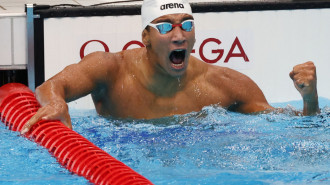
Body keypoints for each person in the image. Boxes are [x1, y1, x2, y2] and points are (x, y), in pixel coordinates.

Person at [21, 0, 319, 134]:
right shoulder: (110, 70)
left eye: (186, 25)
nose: (179, 35)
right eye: (165, 27)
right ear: (145, 37)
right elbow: (49, 87)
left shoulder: (222, 83)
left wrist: (310, 100)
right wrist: (56, 102)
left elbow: (295, 125)